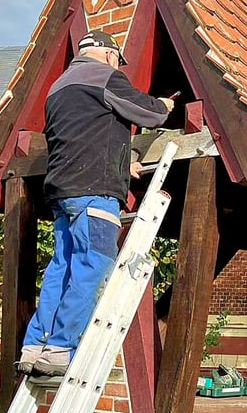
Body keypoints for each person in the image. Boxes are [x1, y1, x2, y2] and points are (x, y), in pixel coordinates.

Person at [16, 30, 175, 377]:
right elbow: (146, 113)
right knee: (93, 265)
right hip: (94, 193)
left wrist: (121, 165)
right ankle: (60, 348)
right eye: (119, 61)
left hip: (63, 193)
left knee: (62, 266)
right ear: (107, 55)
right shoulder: (104, 76)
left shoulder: (58, 89)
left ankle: (35, 346)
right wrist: (163, 106)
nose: (120, 67)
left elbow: (84, 139)